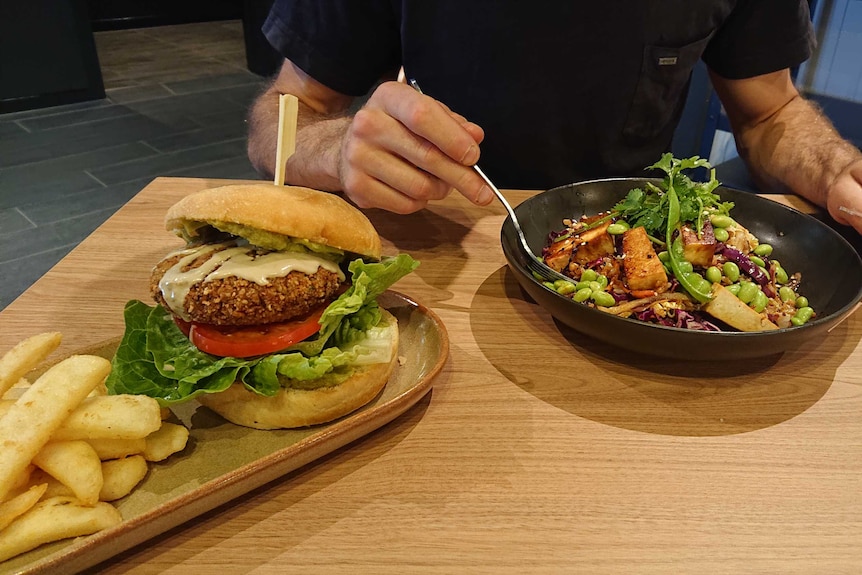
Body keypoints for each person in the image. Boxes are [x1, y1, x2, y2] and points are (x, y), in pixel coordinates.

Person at [246, 1, 862, 234]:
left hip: (639, 254)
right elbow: (282, 117)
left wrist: (836, 171)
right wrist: (335, 149)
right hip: (438, 245)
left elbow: (769, 111)